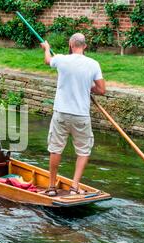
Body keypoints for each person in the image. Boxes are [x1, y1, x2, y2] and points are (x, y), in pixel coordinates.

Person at [40, 33, 106, 196]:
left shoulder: (62, 59)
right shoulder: (93, 64)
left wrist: (47, 48)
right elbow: (101, 90)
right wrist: (87, 87)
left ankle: (52, 187)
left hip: (61, 113)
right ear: (84, 46)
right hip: (81, 115)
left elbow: (48, 60)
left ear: (70, 45)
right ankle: (75, 187)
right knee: (83, 151)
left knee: (56, 149)